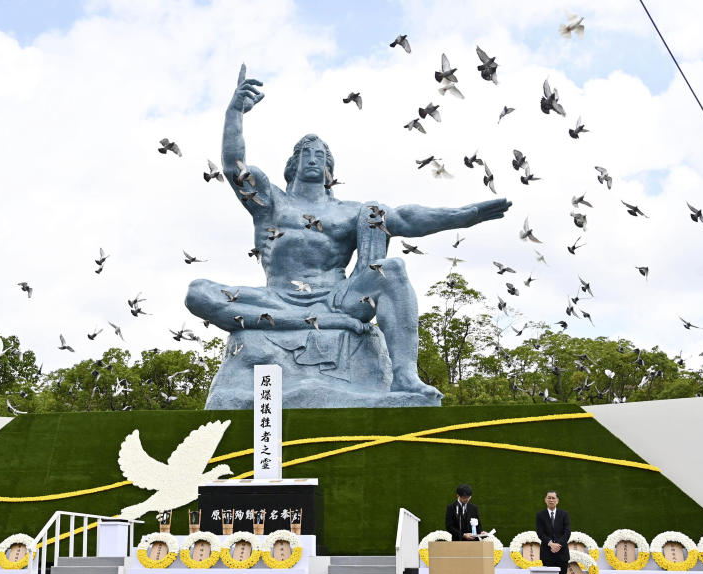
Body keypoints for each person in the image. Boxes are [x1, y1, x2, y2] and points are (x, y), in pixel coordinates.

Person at [185, 64, 510, 399]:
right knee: (197, 292)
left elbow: (407, 219)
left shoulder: (351, 211)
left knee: (392, 269)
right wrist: (235, 112)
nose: (313, 159)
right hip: (277, 299)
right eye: (305, 154)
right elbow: (233, 165)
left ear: (329, 170)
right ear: (293, 164)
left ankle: (405, 376)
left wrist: (463, 215)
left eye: (320, 156)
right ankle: (297, 322)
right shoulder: (271, 203)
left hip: (336, 301)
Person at [535, 490, 571, 574]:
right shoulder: (540, 515)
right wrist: (550, 543)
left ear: (557, 500)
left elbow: (567, 532)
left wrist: (558, 545)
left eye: (553, 498)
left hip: (561, 553)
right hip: (547, 552)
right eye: (549, 498)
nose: (551, 500)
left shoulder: (564, 514)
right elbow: (540, 533)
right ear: (545, 500)